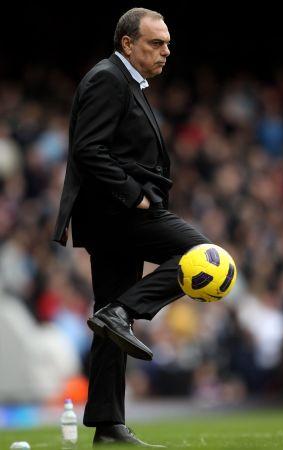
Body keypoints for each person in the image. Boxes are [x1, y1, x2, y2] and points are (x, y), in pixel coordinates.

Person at [53, 7, 210, 447]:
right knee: (206, 257)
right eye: (155, 43)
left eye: (167, 44)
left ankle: (107, 425)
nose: (166, 51)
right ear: (127, 43)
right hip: (121, 215)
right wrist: (134, 193)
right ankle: (125, 311)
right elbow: (88, 149)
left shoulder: (125, 81)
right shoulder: (108, 78)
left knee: (108, 319)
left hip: (114, 217)